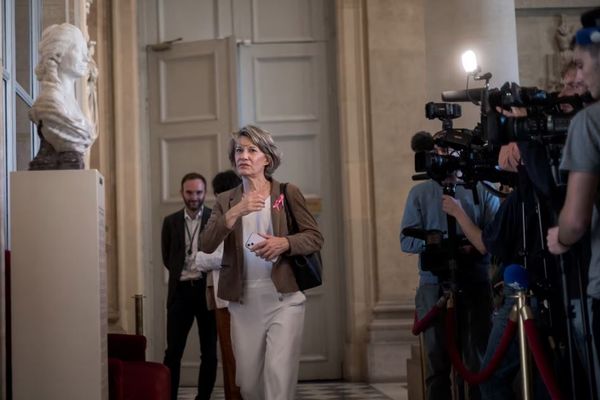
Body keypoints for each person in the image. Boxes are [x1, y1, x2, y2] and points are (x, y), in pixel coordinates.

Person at [198, 125, 323, 400]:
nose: (243, 155)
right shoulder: (225, 200)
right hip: (243, 302)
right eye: (239, 150)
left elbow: (314, 237)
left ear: (267, 158)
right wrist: (234, 212)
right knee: (249, 383)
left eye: (252, 150)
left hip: (284, 299)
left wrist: (285, 243)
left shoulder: (286, 193)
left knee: (279, 376)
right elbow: (205, 245)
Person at [400, 147, 500, 400]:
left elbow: (495, 237)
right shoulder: (420, 193)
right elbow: (406, 241)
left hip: (475, 281)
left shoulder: (482, 189)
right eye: (438, 152)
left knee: (476, 359)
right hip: (434, 285)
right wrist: (435, 244)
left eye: (450, 151)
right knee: (436, 364)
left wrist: (470, 244)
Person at [547, 5, 600, 382]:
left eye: (580, 66)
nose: (578, 77)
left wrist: (560, 239)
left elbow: (576, 220)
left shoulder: (589, 123)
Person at [161, 172, 218, 400]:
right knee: (173, 352)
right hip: (180, 293)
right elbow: (167, 257)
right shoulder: (170, 221)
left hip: (206, 291)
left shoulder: (214, 219)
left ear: (205, 193)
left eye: (198, 192)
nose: (194, 197)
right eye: (189, 192)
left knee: (209, 353)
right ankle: (169, 396)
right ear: (181, 193)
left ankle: (202, 398)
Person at [29, 23, 94, 170]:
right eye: (79, 50)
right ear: (58, 54)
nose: (86, 58)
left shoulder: (71, 104)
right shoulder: (48, 104)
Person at [208, 170, 243, 400]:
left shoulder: (242, 217)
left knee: (240, 357)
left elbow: (211, 256)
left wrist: (202, 258)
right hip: (222, 299)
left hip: (239, 296)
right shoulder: (217, 217)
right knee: (229, 357)